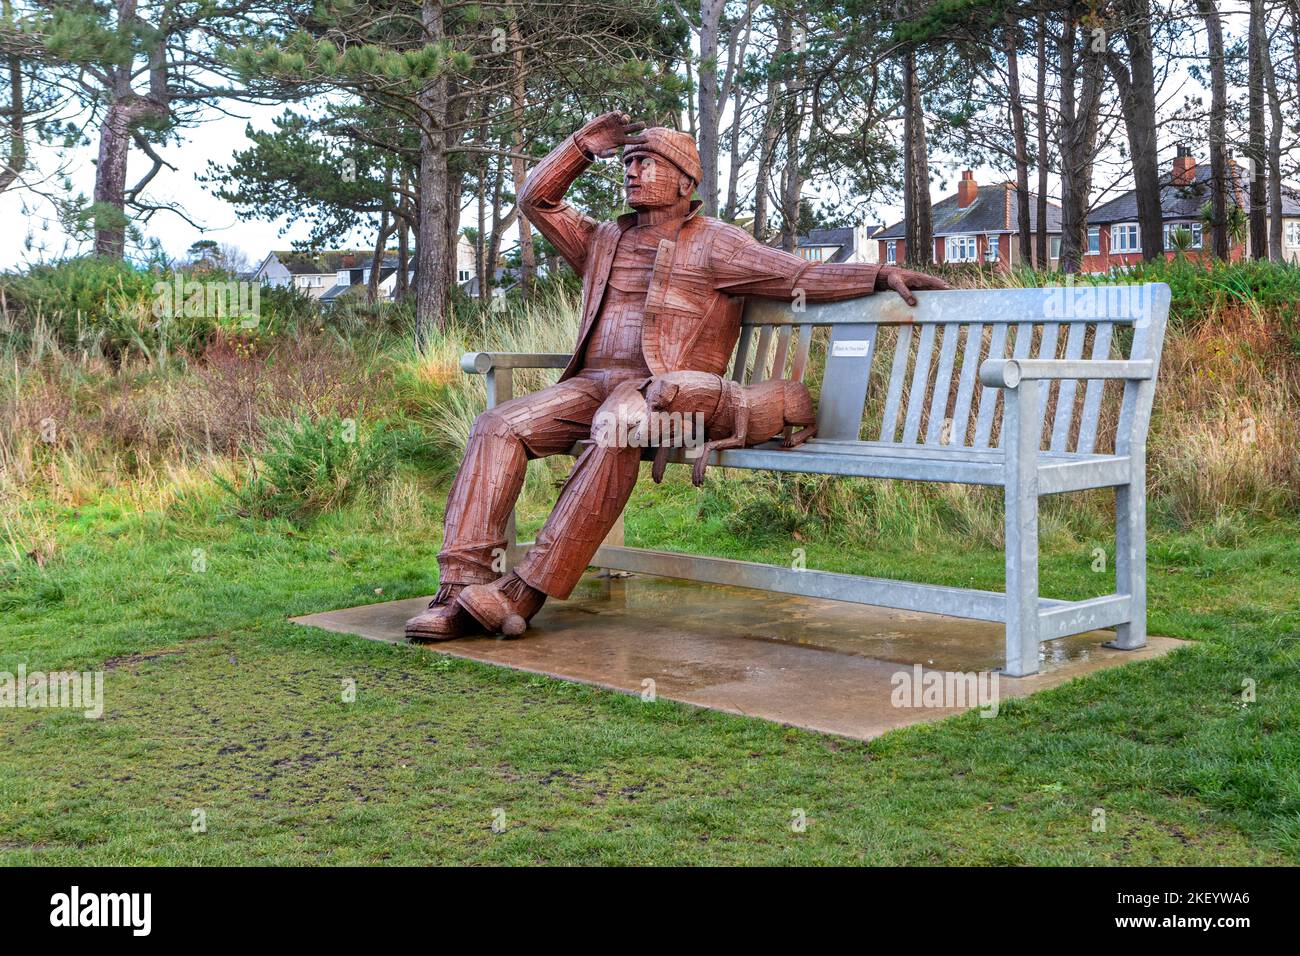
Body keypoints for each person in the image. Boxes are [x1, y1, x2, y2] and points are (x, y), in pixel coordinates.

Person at [406, 112, 949, 639]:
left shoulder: (717, 242)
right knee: (497, 425)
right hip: (590, 385)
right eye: (629, 162)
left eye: (648, 163)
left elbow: (799, 274)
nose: (632, 171)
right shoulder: (602, 241)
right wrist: (581, 147)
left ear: (687, 182)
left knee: (618, 426)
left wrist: (878, 272)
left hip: (672, 397)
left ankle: (524, 591)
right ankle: (460, 589)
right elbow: (535, 200)